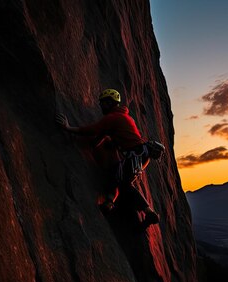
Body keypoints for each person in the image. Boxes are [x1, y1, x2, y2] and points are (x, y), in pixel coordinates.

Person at [56, 88, 159, 227]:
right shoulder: (125, 117)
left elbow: (93, 129)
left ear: (111, 103)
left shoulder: (113, 118)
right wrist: (104, 143)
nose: (101, 105)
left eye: (104, 102)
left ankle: (145, 211)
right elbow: (112, 135)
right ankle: (111, 203)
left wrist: (69, 128)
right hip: (140, 154)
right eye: (101, 102)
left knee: (124, 182)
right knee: (117, 175)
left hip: (136, 154)